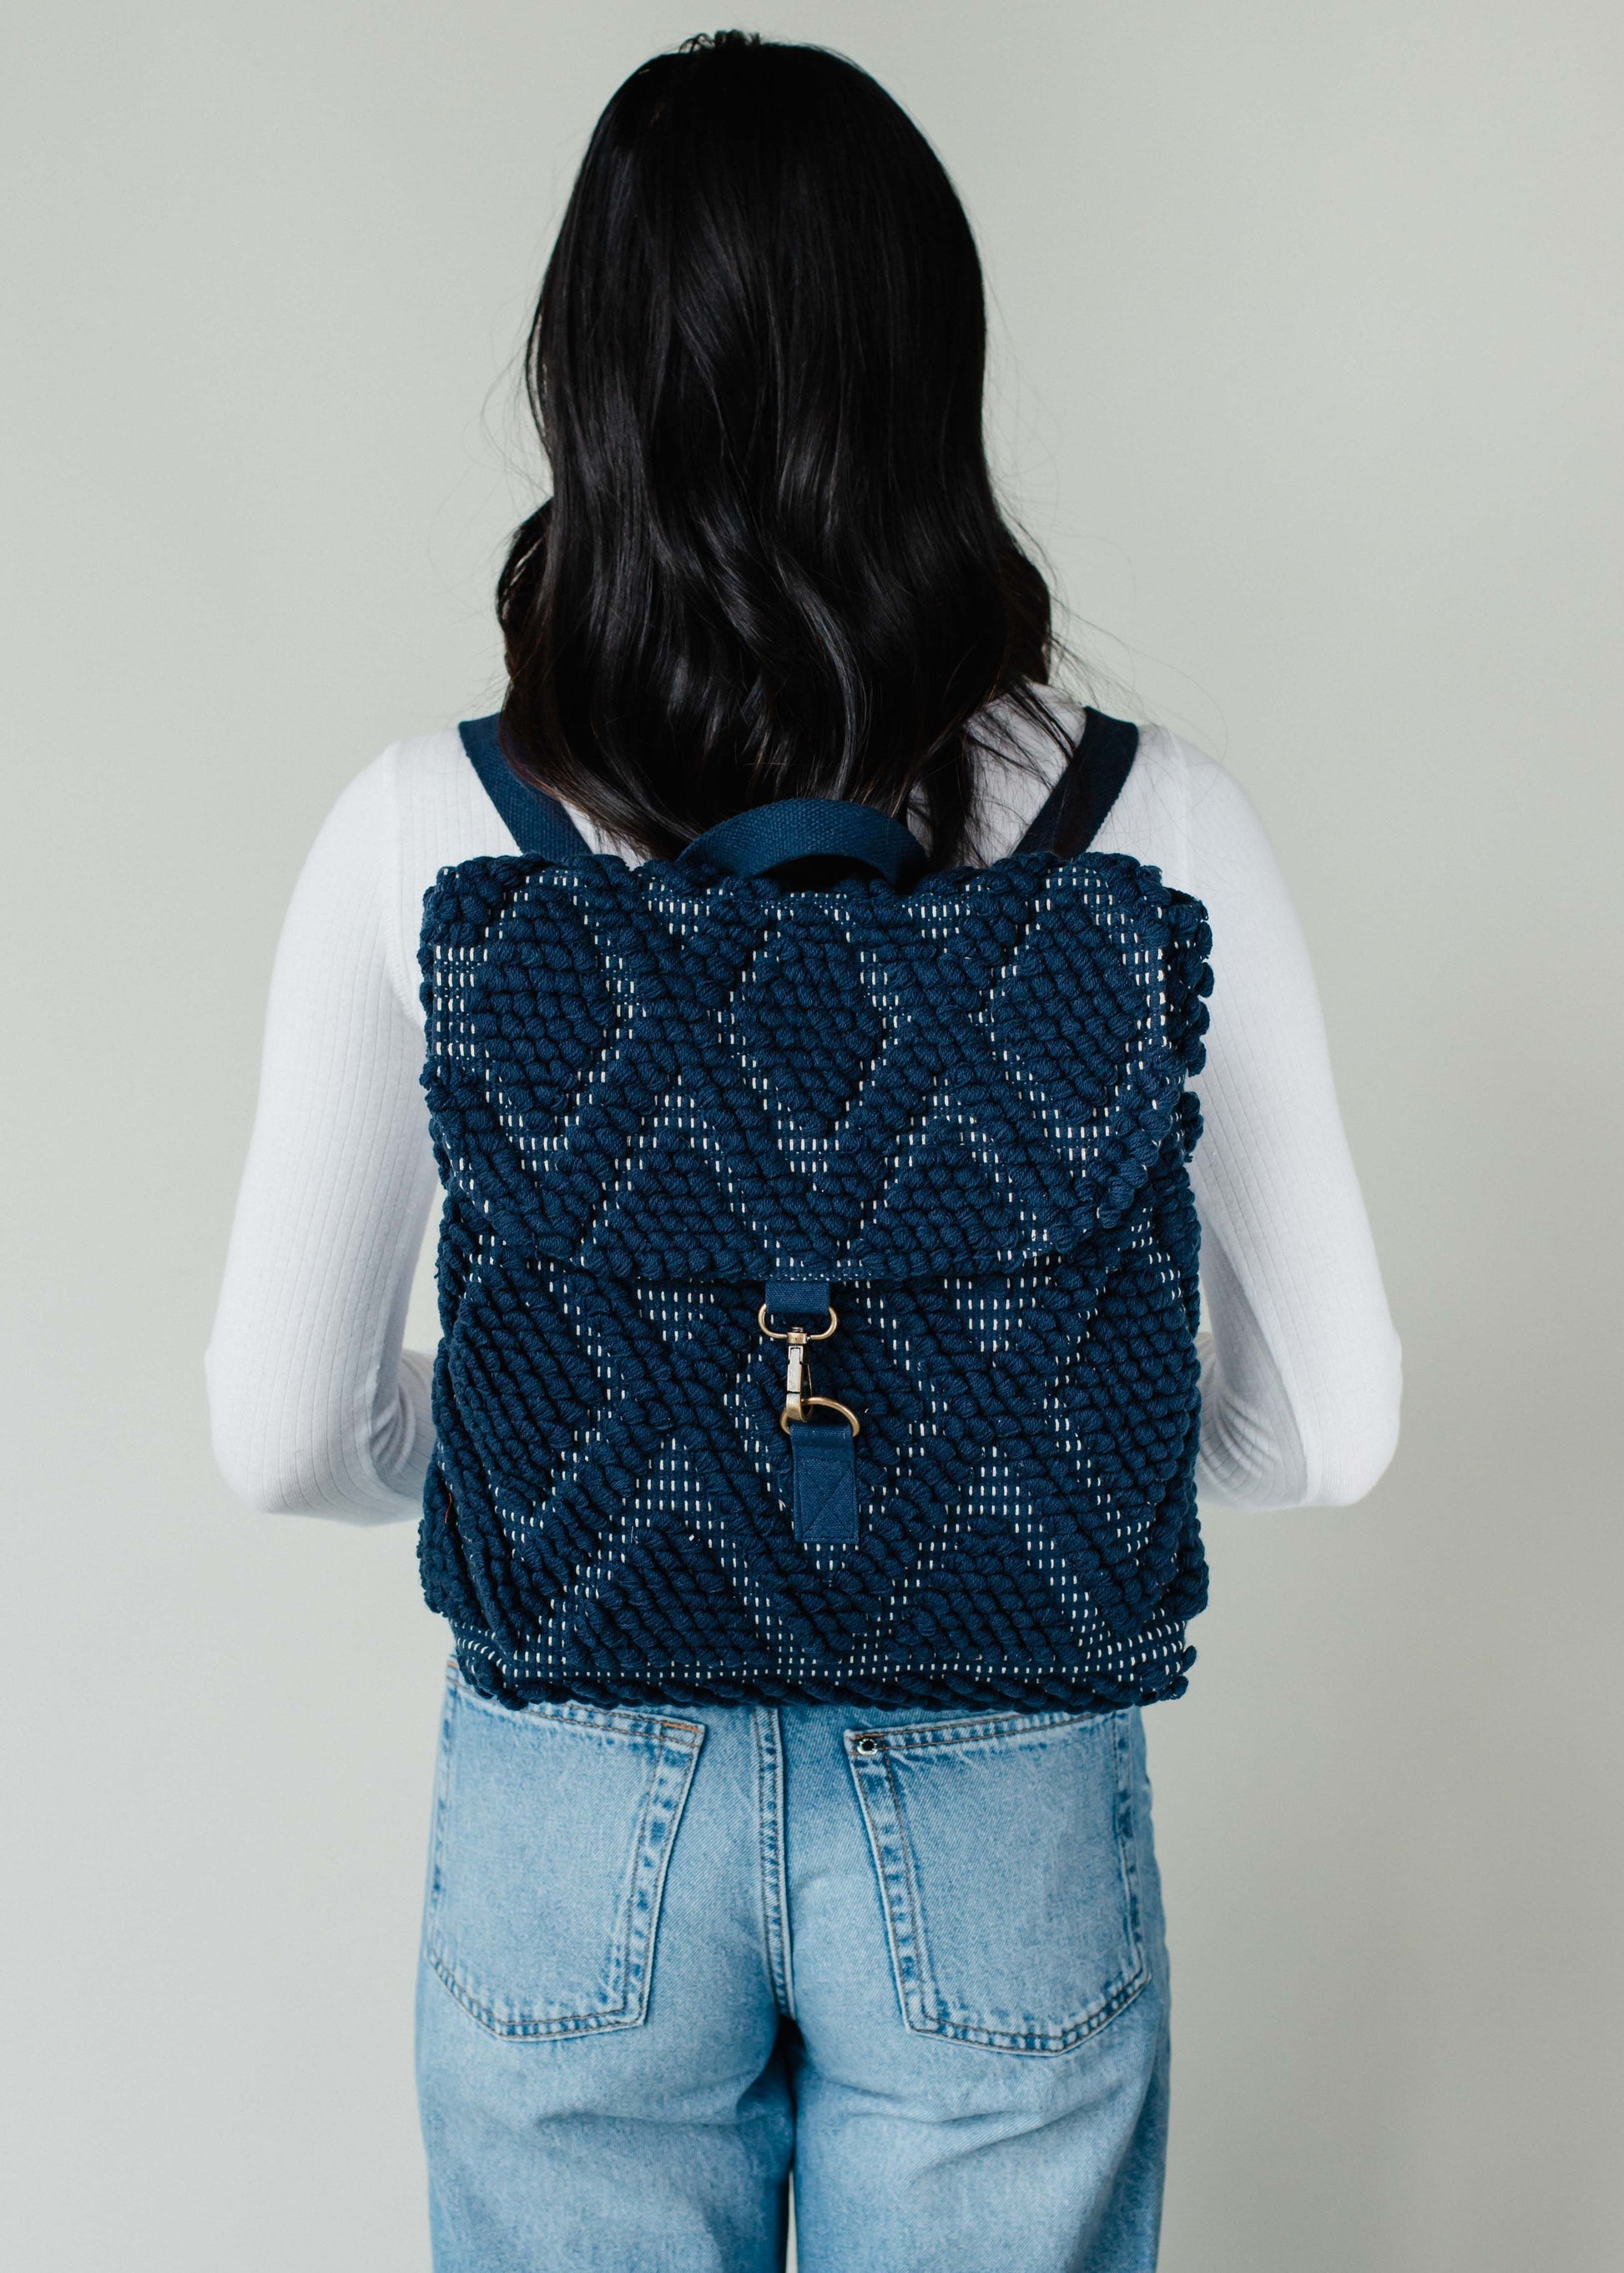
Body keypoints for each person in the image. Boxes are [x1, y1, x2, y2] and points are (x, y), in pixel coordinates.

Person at [208, 33, 1400, 2273]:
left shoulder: (422, 826)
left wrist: (599, 1427)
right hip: (999, 1778)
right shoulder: (1154, 825)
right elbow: (1331, 1430)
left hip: (579, 1791)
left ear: (588, 387)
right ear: (934, 372)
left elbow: (283, 1435)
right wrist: (1007, 1419)